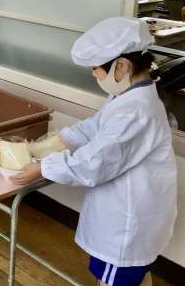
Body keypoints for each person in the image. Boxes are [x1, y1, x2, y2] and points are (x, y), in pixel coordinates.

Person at [11, 17, 177, 286]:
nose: (94, 75)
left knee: (116, 279)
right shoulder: (130, 95)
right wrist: (47, 145)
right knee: (135, 277)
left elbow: (94, 162)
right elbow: (93, 128)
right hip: (133, 214)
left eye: (96, 68)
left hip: (127, 224)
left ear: (121, 66)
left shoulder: (136, 111)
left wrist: (42, 168)